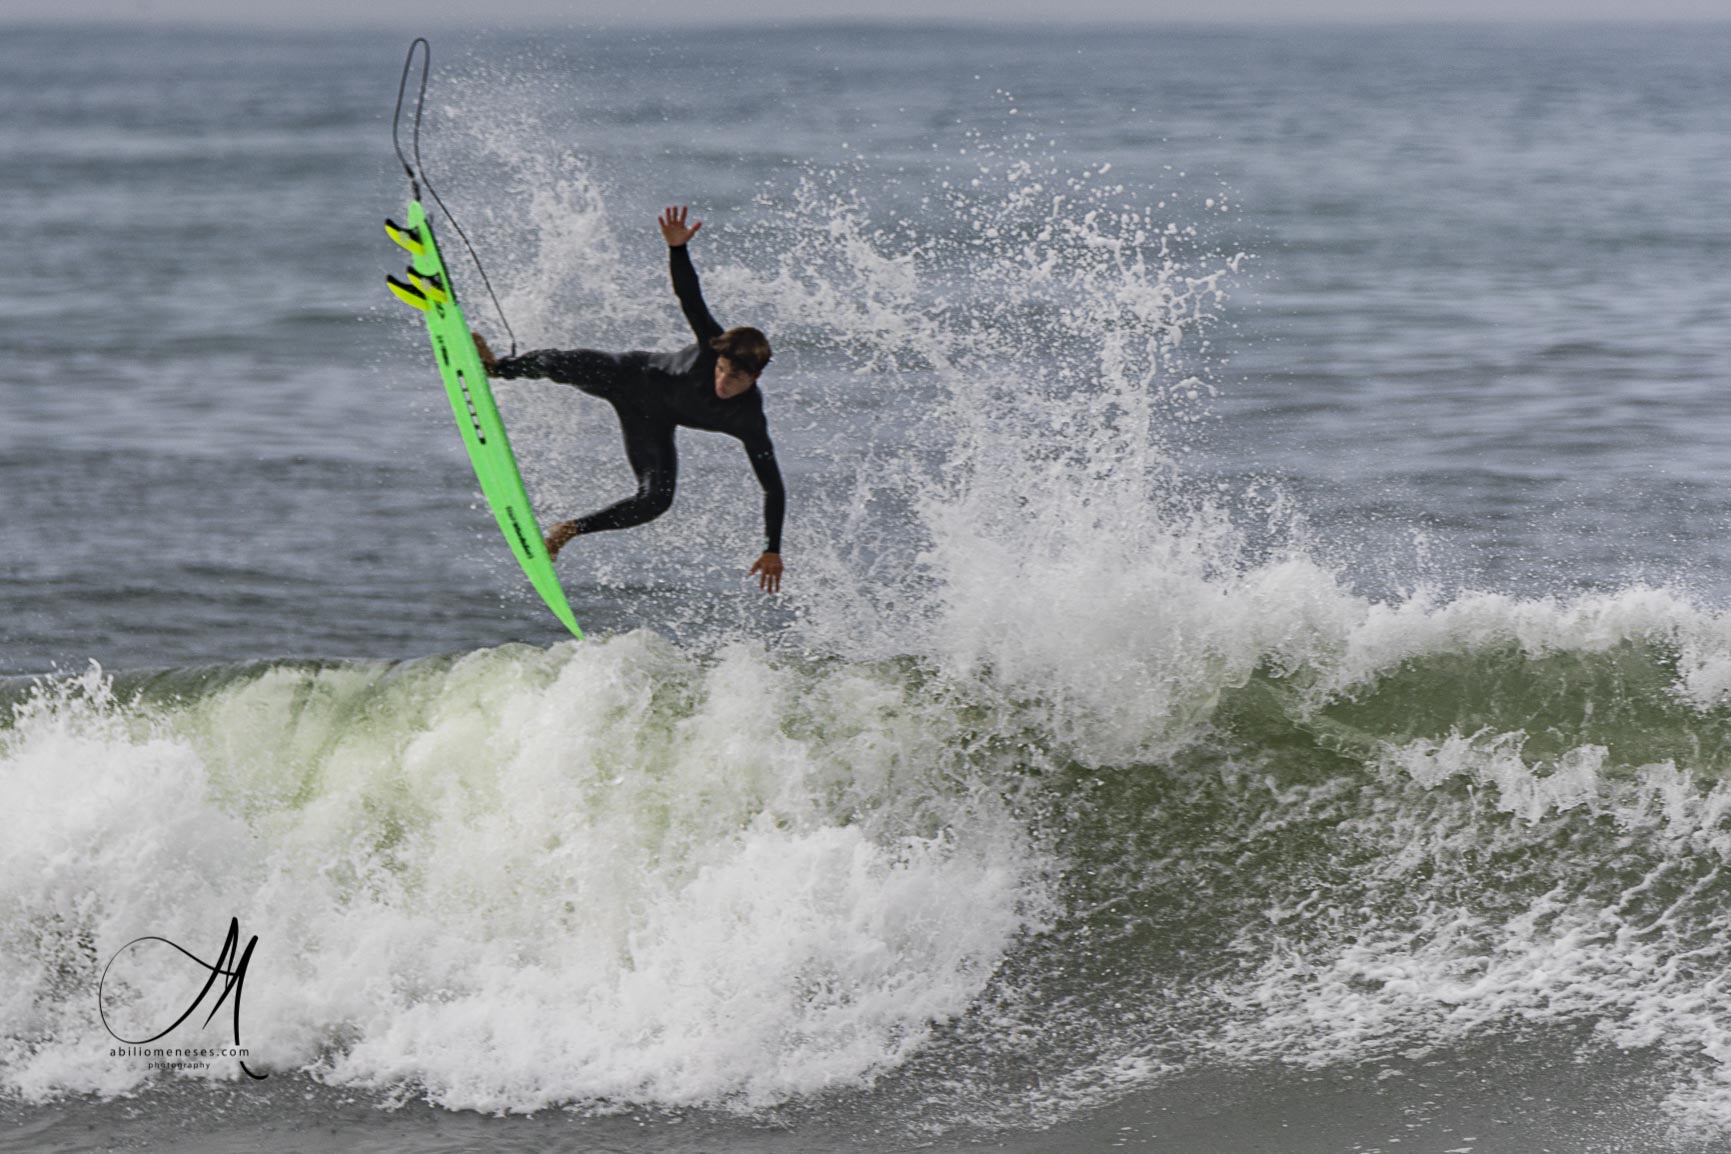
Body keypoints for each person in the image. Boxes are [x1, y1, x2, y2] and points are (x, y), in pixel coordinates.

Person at [472, 206, 784, 593]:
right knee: (560, 363)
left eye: (735, 376)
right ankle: (498, 368)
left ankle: (569, 530)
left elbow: (772, 486)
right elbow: (690, 296)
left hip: (649, 422)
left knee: (656, 500)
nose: (722, 380)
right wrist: (677, 250)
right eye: (720, 369)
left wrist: (772, 549)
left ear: (755, 376)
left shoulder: (749, 420)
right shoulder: (711, 346)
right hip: (627, 376)